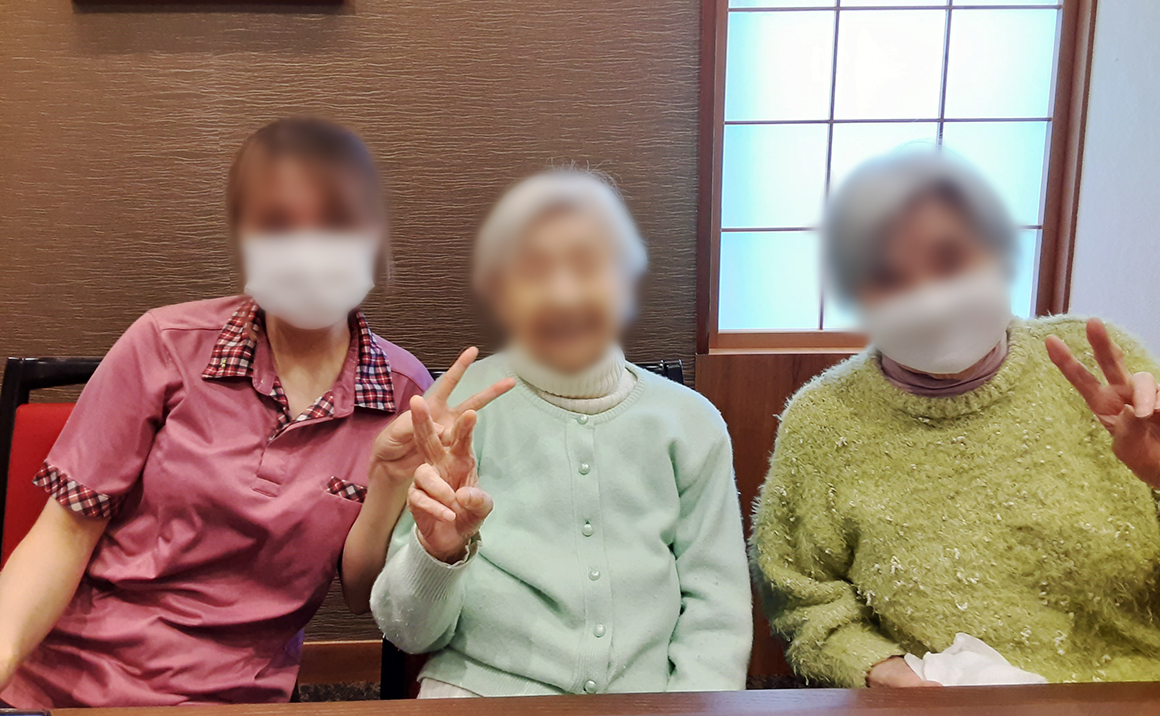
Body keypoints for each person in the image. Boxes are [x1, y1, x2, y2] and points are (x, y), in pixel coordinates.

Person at [0, 117, 510, 708]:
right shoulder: (163, 344)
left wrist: (390, 479)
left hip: (236, 699)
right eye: (277, 225)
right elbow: (63, 533)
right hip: (67, 684)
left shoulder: (407, 393)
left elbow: (359, 594)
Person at [750, 148, 1160, 689]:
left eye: (949, 259)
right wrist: (881, 670)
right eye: (889, 276)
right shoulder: (823, 420)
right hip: (937, 702)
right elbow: (802, 599)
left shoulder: (1097, 366)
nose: (929, 296)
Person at [370, 169, 753, 697]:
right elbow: (407, 632)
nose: (564, 291)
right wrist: (436, 553)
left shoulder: (691, 422)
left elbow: (717, 610)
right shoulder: (458, 413)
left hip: (646, 704)